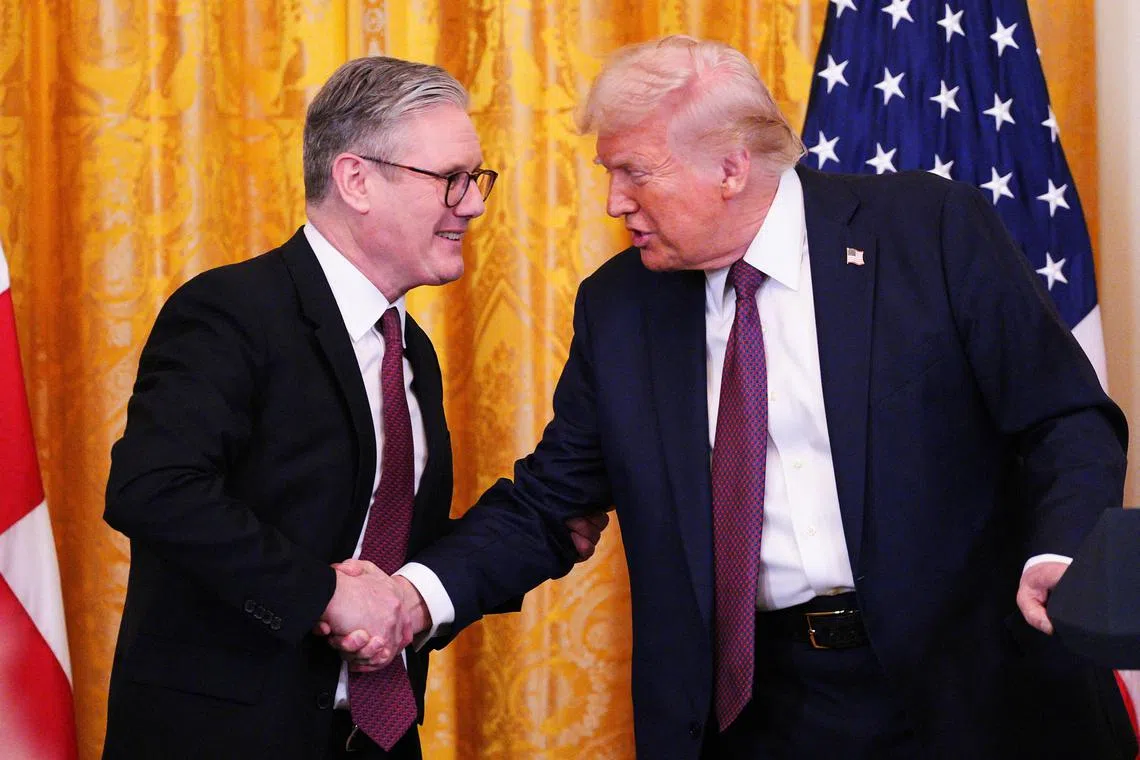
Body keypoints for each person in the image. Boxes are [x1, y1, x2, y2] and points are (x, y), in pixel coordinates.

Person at [349, 36, 1135, 759]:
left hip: (972, 691)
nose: (615, 202)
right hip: (756, 712)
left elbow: (1066, 418)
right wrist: (414, 597)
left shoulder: (926, 231)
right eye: (607, 174)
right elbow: (552, 502)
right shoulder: (622, 307)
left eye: (634, 172)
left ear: (730, 167)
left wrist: (1060, 551)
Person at [103, 56, 602, 760]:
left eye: (477, 179)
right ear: (356, 180)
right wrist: (322, 596)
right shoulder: (231, 312)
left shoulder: (409, 348)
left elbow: (381, 551)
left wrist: (533, 535)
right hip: (225, 737)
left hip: (374, 737)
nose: (474, 204)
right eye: (452, 179)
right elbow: (153, 491)